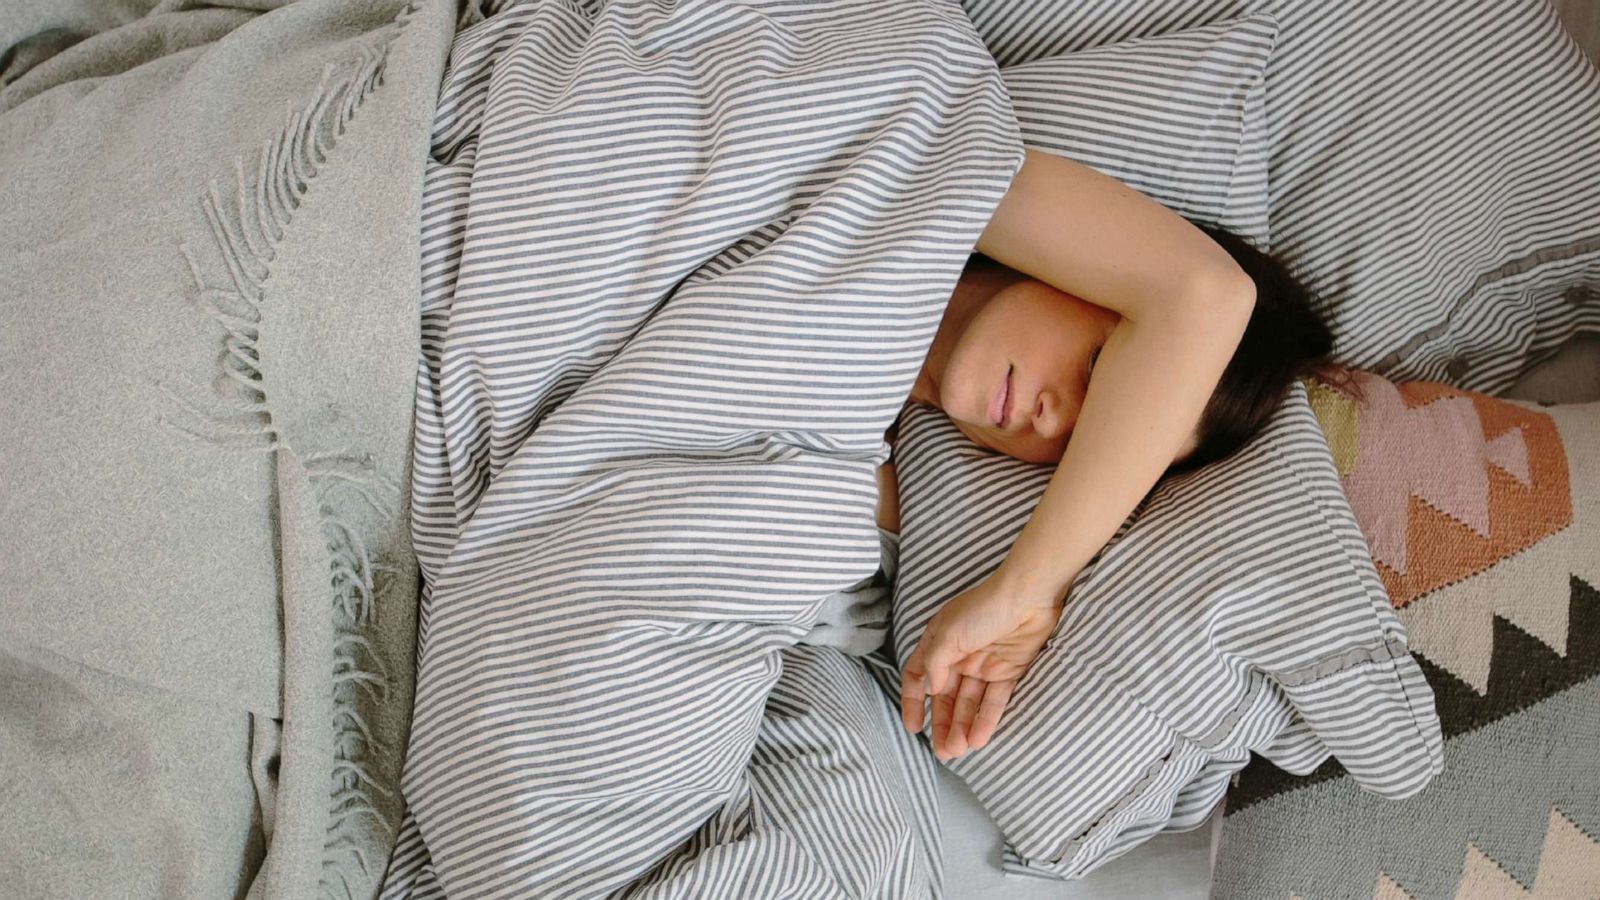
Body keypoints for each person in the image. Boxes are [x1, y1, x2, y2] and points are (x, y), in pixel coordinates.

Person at [888, 147, 1337, 762]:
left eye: (1086, 446)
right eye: (1102, 369)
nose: (1058, 418)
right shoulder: (934, 167)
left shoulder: (848, 479)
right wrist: (1028, 588)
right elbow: (1204, 296)